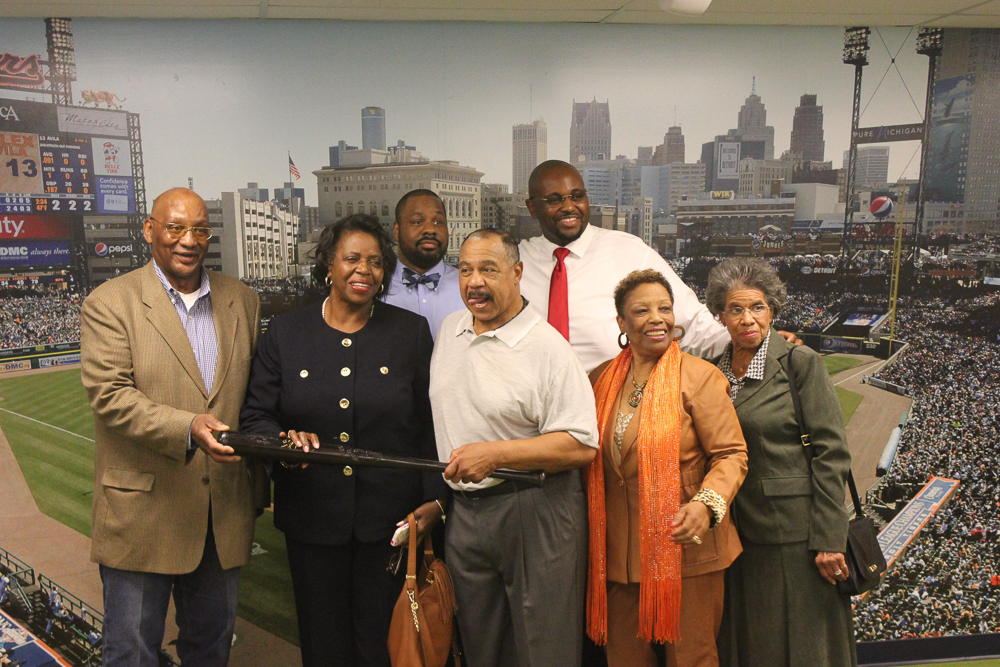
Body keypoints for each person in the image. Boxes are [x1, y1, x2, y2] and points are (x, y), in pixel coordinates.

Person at [239, 214, 448, 667]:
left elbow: (433, 423)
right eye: (352, 258)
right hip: (311, 520)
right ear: (328, 265)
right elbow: (256, 416)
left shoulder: (410, 332)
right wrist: (283, 444)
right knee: (324, 649)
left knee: (381, 649)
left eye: (376, 261)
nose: (364, 270)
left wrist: (436, 500)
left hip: (390, 526)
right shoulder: (286, 333)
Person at [81, 188, 264, 667]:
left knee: (211, 651)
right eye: (175, 227)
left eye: (200, 229)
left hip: (220, 515)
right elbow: (110, 396)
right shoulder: (110, 302)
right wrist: (189, 427)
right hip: (143, 515)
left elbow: (257, 397)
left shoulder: (243, 299)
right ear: (149, 230)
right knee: (132, 655)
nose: (189, 240)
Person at [429, 228, 599, 667]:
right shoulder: (450, 331)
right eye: (466, 270)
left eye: (488, 269)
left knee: (545, 651)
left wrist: (495, 455)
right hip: (465, 514)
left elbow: (581, 444)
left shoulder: (548, 349)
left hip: (534, 507)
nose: (475, 282)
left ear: (517, 272)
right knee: (481, 648)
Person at [586, 269, 748, 667]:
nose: (657, 318)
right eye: (642, 311)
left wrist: (706, 504)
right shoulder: (599, 379)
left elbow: (731, 454)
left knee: (692, 659)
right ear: (622, 322)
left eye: (665, 308)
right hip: (618, 557)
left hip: (687, 549)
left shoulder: (700, 377)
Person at [705, 258, 856, 667]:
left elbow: (832, 453)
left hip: (796, 538)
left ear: (772, 310)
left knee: (804, 649)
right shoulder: (712, 371)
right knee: (752, 647)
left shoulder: (800, 363)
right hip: (735, 537)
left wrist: (830, 539)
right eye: (735, 309)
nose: (748, 319)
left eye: (758, 307)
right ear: (720, 315)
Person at [518, 161, 802, 373]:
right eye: (554, 200)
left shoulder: (627, 250)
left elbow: (691, 323)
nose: (569, 206)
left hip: (612, 406)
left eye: (577, 196)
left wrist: (758, 344)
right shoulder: (515, 263)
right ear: (532, 208)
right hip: (534, 412)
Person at [383, 189, 464, 339]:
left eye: (438, 222)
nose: (430, 230)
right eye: (418, 222)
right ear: (396, 230)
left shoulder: (468, 287)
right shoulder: (376, 288)